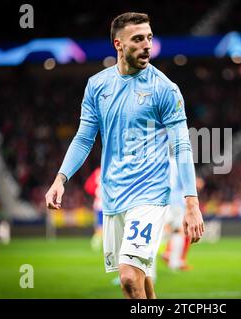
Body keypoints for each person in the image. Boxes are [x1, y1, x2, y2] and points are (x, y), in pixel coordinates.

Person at [45, 12, 204, 299]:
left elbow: (182, 145)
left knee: (129, 278)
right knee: (140, 281)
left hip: (151, 194)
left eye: (150, 38)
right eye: (138, 39)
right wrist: (60, 178)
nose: (147, 45)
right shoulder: (97, 85)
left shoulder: (165, 89)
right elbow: (84, 137)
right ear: (118, 44)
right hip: (114, 195)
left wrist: (191, 202)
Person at [161, 156, 205, 271]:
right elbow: (185, 182)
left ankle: (169, 256)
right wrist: (197, 183)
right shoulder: (179, 161)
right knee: (179, 231)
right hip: (177, 202)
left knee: (167, 230)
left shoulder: (162, 159)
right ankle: (174, 260)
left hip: (162, 200)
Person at [84, 167, 103, 251]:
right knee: (101, 226)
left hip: (99, 204)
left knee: (100, 225)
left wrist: (95, 191)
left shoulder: (97, 171)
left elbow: (88, 186)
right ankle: (95, 242)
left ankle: (97, 242)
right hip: (105, 204)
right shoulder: (113, 168)